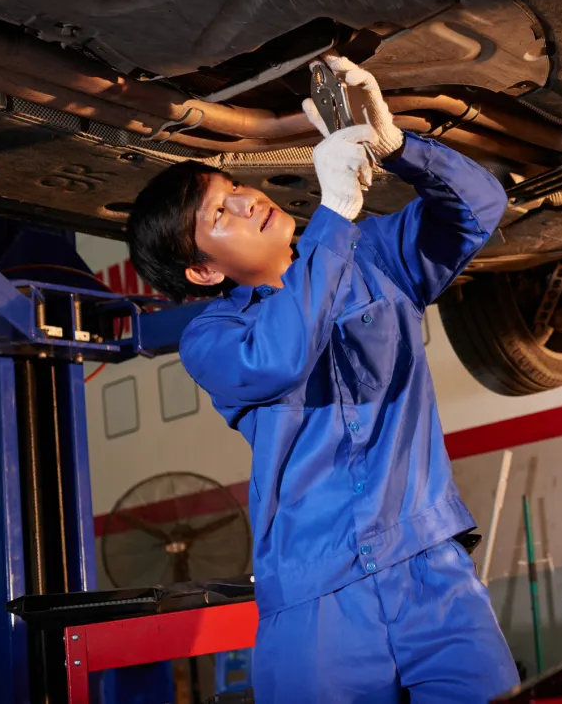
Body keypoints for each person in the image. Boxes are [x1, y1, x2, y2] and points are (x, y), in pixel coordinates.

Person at [127, 55, 519, 703]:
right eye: (220, 212)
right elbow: (280, 355)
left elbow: (481, 205)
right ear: (202, 271)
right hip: (316, 604)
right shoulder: (213, 339)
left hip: (431, 572)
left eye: (235, 187)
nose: (247, 199)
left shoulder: (376, 256)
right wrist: (335, 212)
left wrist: (397, 148)